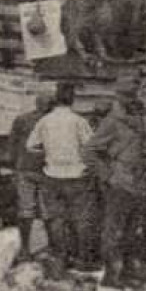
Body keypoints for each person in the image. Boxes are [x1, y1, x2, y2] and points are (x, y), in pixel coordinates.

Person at [85, 78, 146, 287]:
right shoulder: (113, 121)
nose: (131, 100)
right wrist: (107, 175)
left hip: (143, 182)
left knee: (133, 228)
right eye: (127, 97)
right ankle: (112, 274)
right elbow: (90, 150)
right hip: (121, 182)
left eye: (133, 96)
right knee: (113, 230)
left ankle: (129, 270)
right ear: (120, 98)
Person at [26, 82, 97, 277]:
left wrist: (46, 152)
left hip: (52, 175)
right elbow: (91, 146)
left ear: (56, 99)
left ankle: (60, 258)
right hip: (76, 175)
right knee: (81, 219)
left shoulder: (45, 121)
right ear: (72, 99)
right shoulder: (79, 121)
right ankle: (83, 261)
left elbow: (30, 146)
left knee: (56, 219)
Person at [7, 91, 55, 267]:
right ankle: (51, 248)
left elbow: (12, 145)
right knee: (48, 211)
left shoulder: (22, 120)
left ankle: (25, 249)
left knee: (26, 210)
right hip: (47, 172)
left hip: (25, 169)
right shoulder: (55, 123)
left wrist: (15, 166)